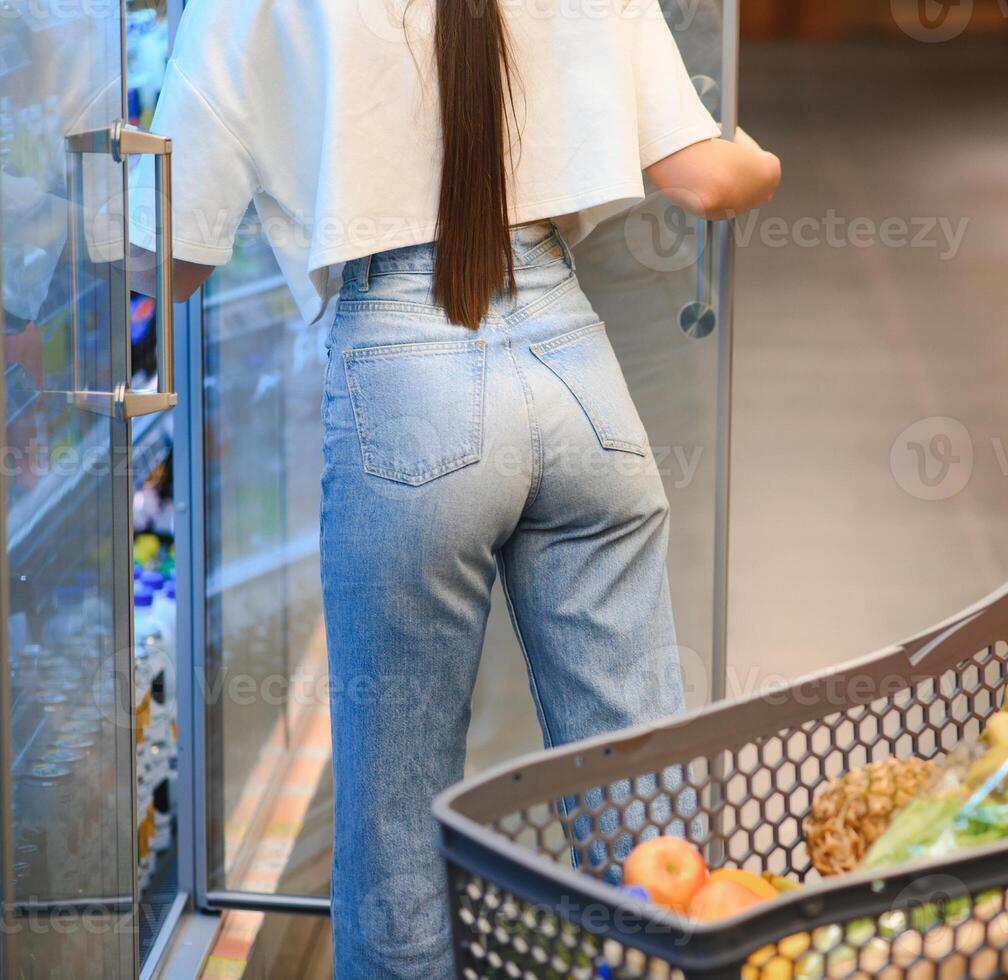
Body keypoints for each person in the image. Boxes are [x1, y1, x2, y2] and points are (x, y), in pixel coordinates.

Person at [135, 0, 780, 975]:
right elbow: (707, 176)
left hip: (404, 379)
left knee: (397, 826)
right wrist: (762, 158)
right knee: (647, 811)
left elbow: (165, 263)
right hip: (575, 365)